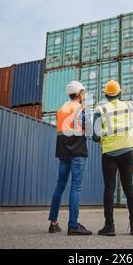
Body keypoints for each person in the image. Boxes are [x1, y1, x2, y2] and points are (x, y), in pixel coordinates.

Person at [92, 80, 133, 236]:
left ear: (106, 94)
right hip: (127, 151)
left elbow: (95, 137)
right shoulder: (128, 105)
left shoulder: (100, 109)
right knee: (129, 188)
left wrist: (103, 135)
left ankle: (109, 227)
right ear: (119, 93)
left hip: (109, 153)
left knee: (109, 189)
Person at [48, 81, 93, 236]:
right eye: (84, 92)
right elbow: (89, 131)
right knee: (76, 187)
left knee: (60, 185)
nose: (84, 95)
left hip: (63, 152)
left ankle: (53, 223)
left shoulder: (60, 110)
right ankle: (73, 225)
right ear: (80, 93)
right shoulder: (82, 109)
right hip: (78, 152)